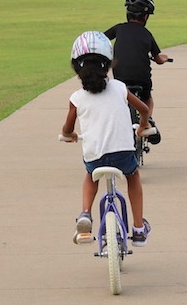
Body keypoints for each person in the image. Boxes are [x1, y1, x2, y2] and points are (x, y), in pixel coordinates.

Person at [60, 30, 152, 247]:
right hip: (123, 155)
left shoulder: (76, 98)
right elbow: (144, 109)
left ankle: (85, 215)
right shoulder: (120, 88)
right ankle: (138, 228)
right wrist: (143, 125)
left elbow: (67, 128)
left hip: (95, 157)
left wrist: (69, 135)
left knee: (90, 175)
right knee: (133, 177)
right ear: (109, 64)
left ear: (76, 67)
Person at [104, 0, 170, 144]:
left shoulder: (119, 29)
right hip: (142, 77)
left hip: (120, 76)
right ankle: (147, 122)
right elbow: (158, 59)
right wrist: (164, 58)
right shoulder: (147, 34)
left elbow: (101, 38)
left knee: (121, 97)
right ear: (146, 17)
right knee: (147, 98)